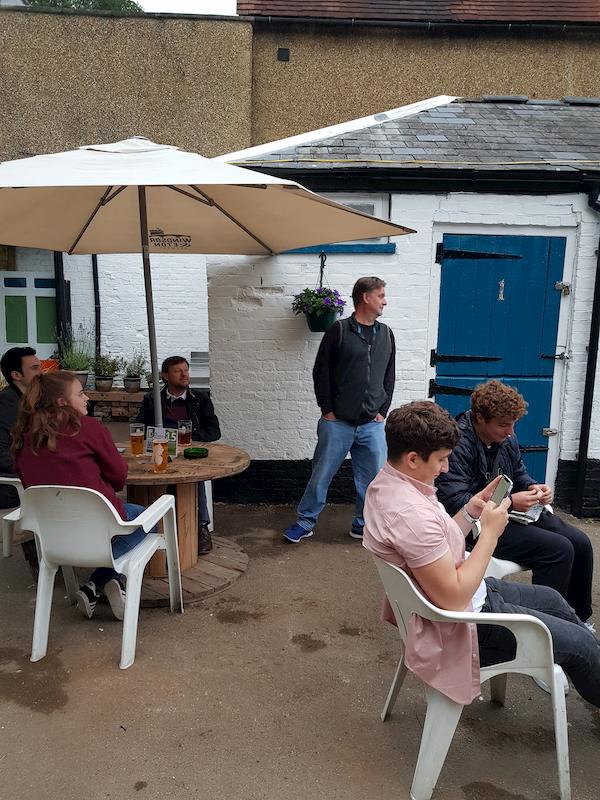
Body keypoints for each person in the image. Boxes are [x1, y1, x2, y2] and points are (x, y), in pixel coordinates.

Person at [363, 400, 600, 707]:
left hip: (465, 600)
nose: (446, 468)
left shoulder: (388, 485)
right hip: (464, 625)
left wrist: (470, 510)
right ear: (412, 458)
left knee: (554, 600)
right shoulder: (410, 514)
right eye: (442, 460)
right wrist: (489, 533)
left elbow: (437, 543)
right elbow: (453, 598)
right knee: (580, 645)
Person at [436, 380, 594, 625]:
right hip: (478, 525)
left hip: (511, 514)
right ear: (479, 418)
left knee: (581, 543)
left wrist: (534, 487)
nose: (510, 431)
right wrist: (510, 502)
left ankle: (578, 620)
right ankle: (548, 625)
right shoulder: (458, 444)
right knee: (558, 550)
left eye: (513, 424)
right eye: (503, 425)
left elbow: (518, 473)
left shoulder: (505, 437)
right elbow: (455, 501)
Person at [13, 371, 150, 621]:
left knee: (120, 515)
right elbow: (119, 477)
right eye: (80, 393)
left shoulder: (23, 438)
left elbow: (31, 486)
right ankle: (98, 581)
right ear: (61, 402)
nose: (87, 398)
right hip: (100, 524)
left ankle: (100, 586)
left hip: (53, 533)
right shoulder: (88, 428)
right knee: (145, 517)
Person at [284, 276, 395, 544]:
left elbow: (389, 374)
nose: (385, 301)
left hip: (372, 424)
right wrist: (328, 410)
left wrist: (383, 410)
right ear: (365, 298)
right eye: (380, 296)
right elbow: (320, 371)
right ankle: (305, 521)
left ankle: (362, 525)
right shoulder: (340, 330)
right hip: (338, 423)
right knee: (321, 475)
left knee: (372, 481)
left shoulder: (386, 333)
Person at [136, 355, 221, 555]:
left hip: (191, 453)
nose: (184, 375)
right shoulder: (152, 399)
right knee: (147, 472)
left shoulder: (200, 399)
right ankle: (147, 526)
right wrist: (163, 438)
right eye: (177, 371)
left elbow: (214, 431)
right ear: (165, 376)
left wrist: (191, 438)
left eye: (186, 370)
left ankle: (201, 527)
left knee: (194, 477)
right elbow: (140, 426)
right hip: (162, 450)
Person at [0, 346, 41, 509]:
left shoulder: (30, 398)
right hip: (10, 486)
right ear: (16, 375)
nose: (41, 373)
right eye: (34, 368)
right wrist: (32, 470)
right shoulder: (6, 403)